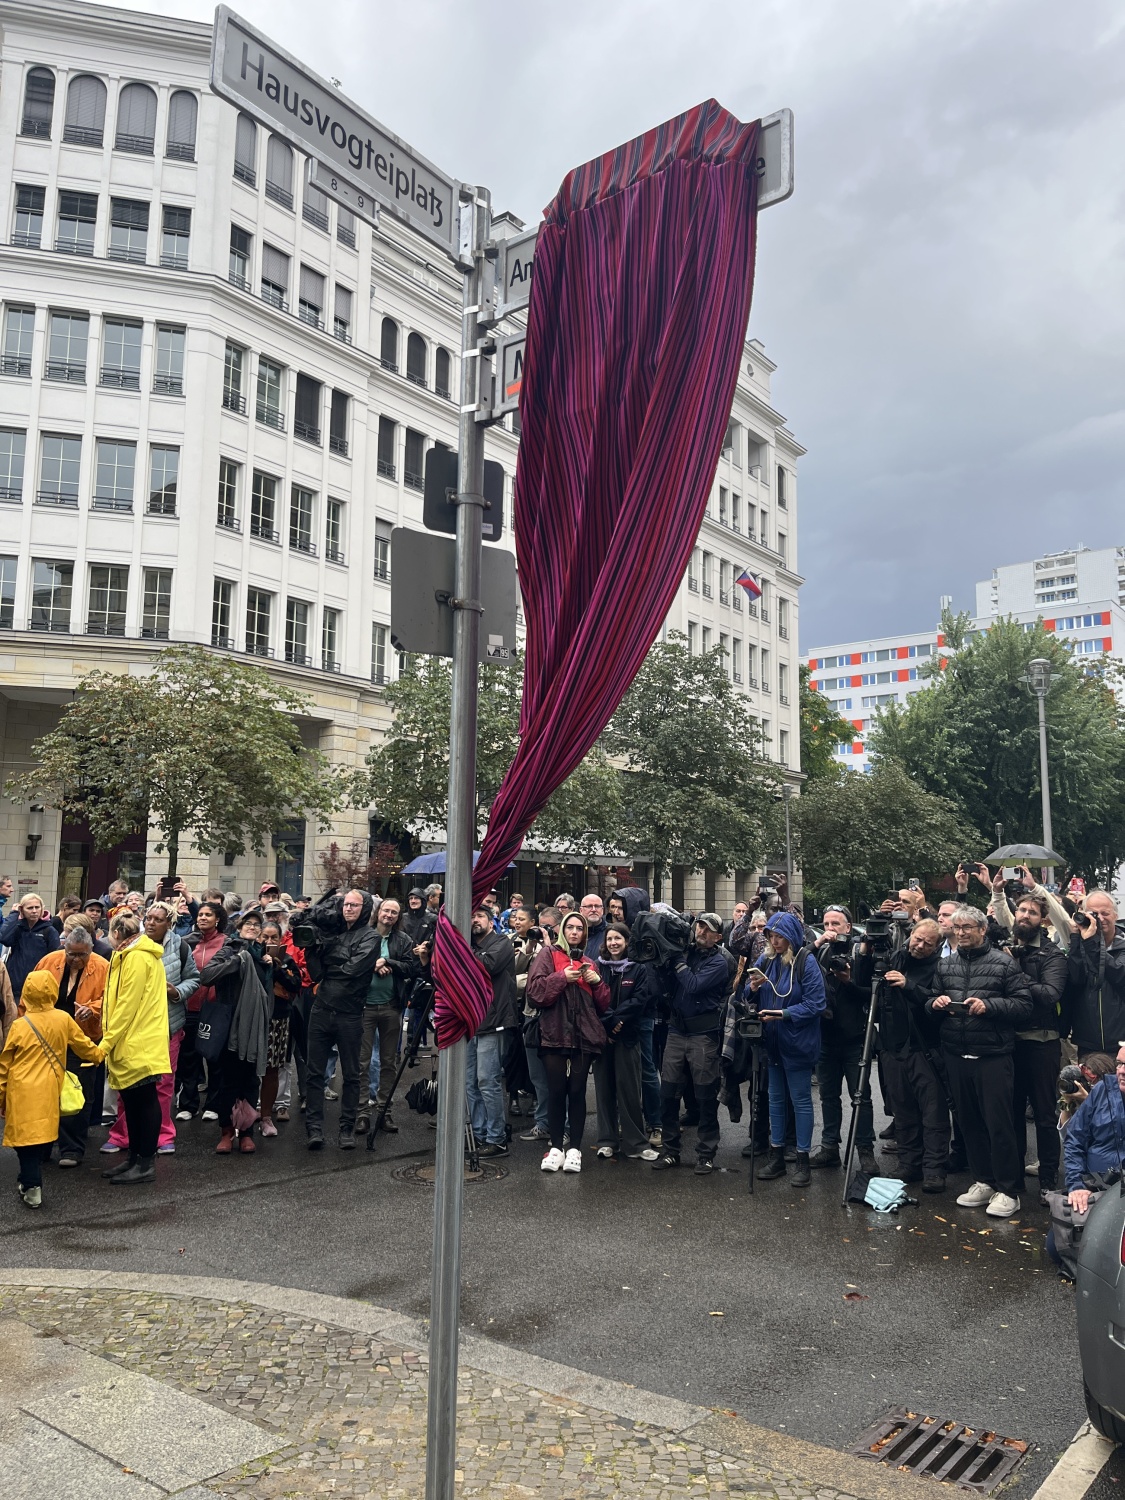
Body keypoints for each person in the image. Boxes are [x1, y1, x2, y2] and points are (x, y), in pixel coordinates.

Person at [929, 905, 1033, 1217]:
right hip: (956, 1054)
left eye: (967, 928)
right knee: (968, 1122)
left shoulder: (1004, 963)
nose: (960, 933)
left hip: (993, 1056)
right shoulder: (945, 965)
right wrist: (935, 1003)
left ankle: (1008, 1189)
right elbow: (930, 1000)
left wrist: (989, 1006)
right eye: (956, 928)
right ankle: (983, 1180)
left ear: (982, 929)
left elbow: (1024, 1005)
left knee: (999, 1124)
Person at [0, 970, 103, 1208]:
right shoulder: (63, 1019)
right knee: (43, 1132)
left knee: (24, 1140)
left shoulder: (19, 1025)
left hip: (21, 1089)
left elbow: (5, 1065)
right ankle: (28, 1180)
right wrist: (100, 1055)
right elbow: (83, 1045)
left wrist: (2, 1096)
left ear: (26, 992)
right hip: (50, 1087)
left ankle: (32, 1185)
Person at [102, 903, 198, 1157]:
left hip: (169, 1024)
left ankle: (163, 1135)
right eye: (148, 918)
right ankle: (123, 1135)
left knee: (163, 1084)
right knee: (129, 1085)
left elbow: (194, 978)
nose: (151, 923)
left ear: (169, 923)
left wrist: (176, 991)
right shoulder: (134, 946)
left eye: (158, 919)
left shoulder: (181, 946)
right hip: (136, 1029)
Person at [864, 918, 947, 1192]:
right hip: (893, 1046)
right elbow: (866, 984)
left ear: (937, 946)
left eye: (927, 943)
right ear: (910, 934)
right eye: (917, 939)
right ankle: (908, 1164)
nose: (920, 946)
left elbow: (935, 1004)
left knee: (933, 1114)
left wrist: (908, 985)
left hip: (926, 1048)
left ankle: (934, 1169)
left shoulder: (940, 967)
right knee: (903, 1111)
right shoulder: (896, 957)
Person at [527, 911, 609, 1173]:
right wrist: (563, 978)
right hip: (553, 1032)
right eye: (570, 927)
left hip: (583, 1035)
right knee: (556, 1091)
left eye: (579, 928)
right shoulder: (548, 955)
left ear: (584, 933)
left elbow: (604, 1004)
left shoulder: (589, 961)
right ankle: (555, 1148)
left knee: (577, 1091)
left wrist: (597, 983)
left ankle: (574, 1148)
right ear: (562, 930)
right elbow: (534, 994)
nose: (575, 932)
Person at [998, 891, 1068, 1196]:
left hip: (1042, 1042)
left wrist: (1016, 969)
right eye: (1021, 911)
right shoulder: (1005, 949)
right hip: (1008, 1043)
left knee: (1043, 1114)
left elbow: (1049, 994)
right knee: (1011, 1111)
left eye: (1032, 912)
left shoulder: (1052, 955)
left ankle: (1048, 1179)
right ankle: (1012, 1177)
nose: (1024, 915)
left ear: (1044, 920)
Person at [651, 913, 731, 1176]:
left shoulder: (719, 962)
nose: (701, 931)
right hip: (676, 1030)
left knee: (706, 1096)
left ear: (718, 937)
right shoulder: (685, 952)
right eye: (699, 926)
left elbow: (694, 985)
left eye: (707, 929)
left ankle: (706, 1154)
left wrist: (676, 960)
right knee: (668, 1094)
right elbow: (666, 982)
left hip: (703, 1034)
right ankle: (671, 1150)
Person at [750, 911, 825, 1188]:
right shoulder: (766, 959)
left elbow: (817, 1004)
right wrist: (752, 988)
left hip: (797, 1042)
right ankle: (777, 1155)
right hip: (772, 1042)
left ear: (792, 936)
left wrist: (784, 1014)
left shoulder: (807, 961)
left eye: (780, 936)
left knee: (801, 1100)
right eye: (771, 936)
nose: (775, 940)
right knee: (775, 1100)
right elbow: (747, 996)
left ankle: (803, 1159)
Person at [99, 912, 171, 1185]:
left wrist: (105, 1044)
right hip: (131, 1040)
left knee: (144, 1101)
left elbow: (126, 1006)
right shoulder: (128, 955)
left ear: (117, 934)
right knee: (132, 1102)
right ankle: (134, 1158)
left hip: (139, 1041)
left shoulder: (137, 958)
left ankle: (145, 1163)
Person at [302, 889, 378, 1150]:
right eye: (346, 904)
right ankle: (314, 1128)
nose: (348, 909)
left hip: (350, 1014)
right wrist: (313, 950)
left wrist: (331, 962)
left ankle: (347, 1128)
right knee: (314, 1073)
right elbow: (316, 974)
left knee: (352, 1074)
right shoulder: (330, 932)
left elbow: (352, 969)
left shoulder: (371, 936)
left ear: (364, 908)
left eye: (355, 905)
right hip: (321, 1010)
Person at [197, 910, 273, 1153]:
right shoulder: (230, 949)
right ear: (239, 927)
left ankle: (247, 1132)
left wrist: (272, 965)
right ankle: (227, 1132)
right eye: (247, 923)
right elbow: (207, 976)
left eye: (256, 924)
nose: (252, 927)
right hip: (229, 1025)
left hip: (255, 1026)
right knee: (226, 1080)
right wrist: (237, 960)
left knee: (250, 1080)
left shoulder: (263, 953)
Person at [808, 905, 877, 1174]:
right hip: (826, 1037)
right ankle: (829, 1148)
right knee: (828, 1095)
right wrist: (818, 942)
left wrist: (847, 981)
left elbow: (871, 996)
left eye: (836, 924)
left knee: (861, 1097)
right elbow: (798, 964)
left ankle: (866, 1151)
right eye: (826, 924)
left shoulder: (861, 954)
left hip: (854, 1037)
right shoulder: (821, 950)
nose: (830, 929)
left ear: (848, 927)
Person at [33, 926, 109, 1167]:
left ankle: (72, 1149)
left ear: (91, 950)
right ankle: (43, 1147)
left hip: (83, 1037)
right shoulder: (49, 961)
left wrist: (93, 1009)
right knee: (45, 1093)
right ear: (63, 948)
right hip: (48, 1038)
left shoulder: (102, 966)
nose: (76, 959)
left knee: (78, 1093)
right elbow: (30, 994)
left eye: (82, 955)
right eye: (71, 954)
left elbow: (110, 997)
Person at [593, 923, 657, 1161]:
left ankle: (636, 1143)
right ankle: (607, 1141)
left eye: (618, 938)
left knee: (629, 1090)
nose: (613, 943)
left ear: (627, 941)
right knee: (604, 1090)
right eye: (609, 939)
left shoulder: (638, 969)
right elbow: (593, 998)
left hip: (628, 1037)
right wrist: (609, 1023)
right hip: (602, 1037)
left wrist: (618, 1021)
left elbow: (641, 999)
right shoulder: (597, 967)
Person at [356, 897, 415, 1136]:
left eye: (394, 912)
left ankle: (384, 1111)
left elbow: (412, 968)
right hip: (364, 1007)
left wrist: (388, 961)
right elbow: (351, 962)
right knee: (362, 1062)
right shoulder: (362, 934)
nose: (389, 915)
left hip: (391, 1006)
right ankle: (362, 1113)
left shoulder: (403, 940)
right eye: (386, 910)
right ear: (378, 912)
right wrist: (373, 964)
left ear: (398, 917)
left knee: (389, 1062)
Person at [467, 906, 519, 1156]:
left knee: (488, 1082)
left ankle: (497, 1138)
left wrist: (458, 950)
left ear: (491, 921)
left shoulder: (501, 942)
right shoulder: (468, 944)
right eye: (471, 916)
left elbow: (486, 965)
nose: (474, 920)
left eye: (479, 916)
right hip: (469, 1023)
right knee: (469, 1083)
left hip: (493, 1021)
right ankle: (479, 1135)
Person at [179, 900, 227, 1119]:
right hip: (189, 1006)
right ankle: (188, 1105)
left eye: (208, 915)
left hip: (214, 1008)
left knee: (214, 1059)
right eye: (200, 915)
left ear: (218, 919)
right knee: (188, 1058)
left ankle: (214, 1105)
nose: (203, 918)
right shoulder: (188, 942)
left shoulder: (227, 943)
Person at [1062, 1046, 1125, 1210]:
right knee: (1063, 1229)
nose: (1122, 1071)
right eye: (1119, 1064)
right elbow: (1074, 1141)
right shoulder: (1102, 1089)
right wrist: (1076, 1185)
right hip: (1096, 1185)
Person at [1065, 891, 1125, 1059]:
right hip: (1088, 1043)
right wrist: (1076, 939)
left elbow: (1119, 975)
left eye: (1105, 913)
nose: (1100, 918)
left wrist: (1092, 944)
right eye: (1093, 914)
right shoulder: (1083, 944)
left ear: (1115, 915)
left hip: (1121, 1044)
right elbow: (1075, 979)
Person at [258, 919, 301, 1136]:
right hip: (254, 1019)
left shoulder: (287, 961)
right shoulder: (250, 955)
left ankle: (267, 1115)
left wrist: (277, 967)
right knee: (247, 1068)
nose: (269, 940)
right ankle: (246, 1113)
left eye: (274, 937)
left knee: (273, 1067)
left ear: (281, 939)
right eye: (264, 936)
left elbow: (295, 985)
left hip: (278, 1019)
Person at [0, 893, 61, 1003]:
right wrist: (14, 913)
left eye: (37, 907)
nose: (34, 911)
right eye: (30, 908)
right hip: (16, 986)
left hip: (38, 985)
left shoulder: (49, 931)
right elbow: (4, 938)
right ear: (22, 910)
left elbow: (56, 959)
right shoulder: (17, 928)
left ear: (42, 909)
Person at [579, 894, 606, 959]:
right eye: (589, 906)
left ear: (602, 910)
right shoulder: (575, 933)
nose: (593, 910)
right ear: (581, 910)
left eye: (597, 906)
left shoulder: (611, 932)